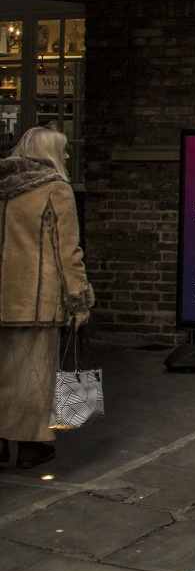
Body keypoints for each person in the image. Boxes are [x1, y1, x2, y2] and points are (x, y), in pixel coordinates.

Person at [0, 127, 92, 470]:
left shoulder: (3, 188)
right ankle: (31, 446)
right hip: (37, 299)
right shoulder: (56, 189)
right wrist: (78, 299)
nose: (67, 157)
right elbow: (68, 251)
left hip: (4, 295)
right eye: (63, 151)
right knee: (34, 375)